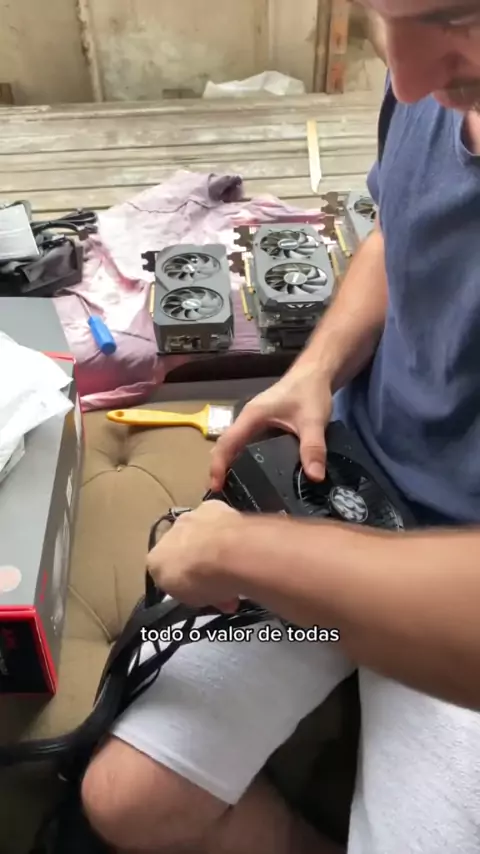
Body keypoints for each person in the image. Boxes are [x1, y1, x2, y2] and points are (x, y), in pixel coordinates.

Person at [81, 1, 480, 852]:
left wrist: (243, 553)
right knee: (131, 801)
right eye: (386, 17)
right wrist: (317, 369)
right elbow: (396, 232)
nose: (409, 79)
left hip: (456, 608)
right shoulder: (430, 85)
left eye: (463, 18)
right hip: (355, 488)